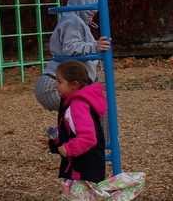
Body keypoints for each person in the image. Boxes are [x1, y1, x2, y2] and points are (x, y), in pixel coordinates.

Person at [47, 60, 145, 201]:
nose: (56, 85)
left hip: (83, 168)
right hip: (82, 167)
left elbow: (88, 137)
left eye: (59, 81)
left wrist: (69, 148)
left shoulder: (78, 105)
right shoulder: (77, 102)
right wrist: (55, 143)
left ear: (74, 85)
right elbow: (71, 131)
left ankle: (127, 185)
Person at [35, 0, 111, 112]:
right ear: (82, 3)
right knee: (93, 108)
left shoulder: (77, 21)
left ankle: (67, 130)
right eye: (92, 4)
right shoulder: (72, 22)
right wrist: (95, 47)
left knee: (92, 108)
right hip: (54, 85)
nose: (95, 11)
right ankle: (67, 132)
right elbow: (71, 48)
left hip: (61, 82)